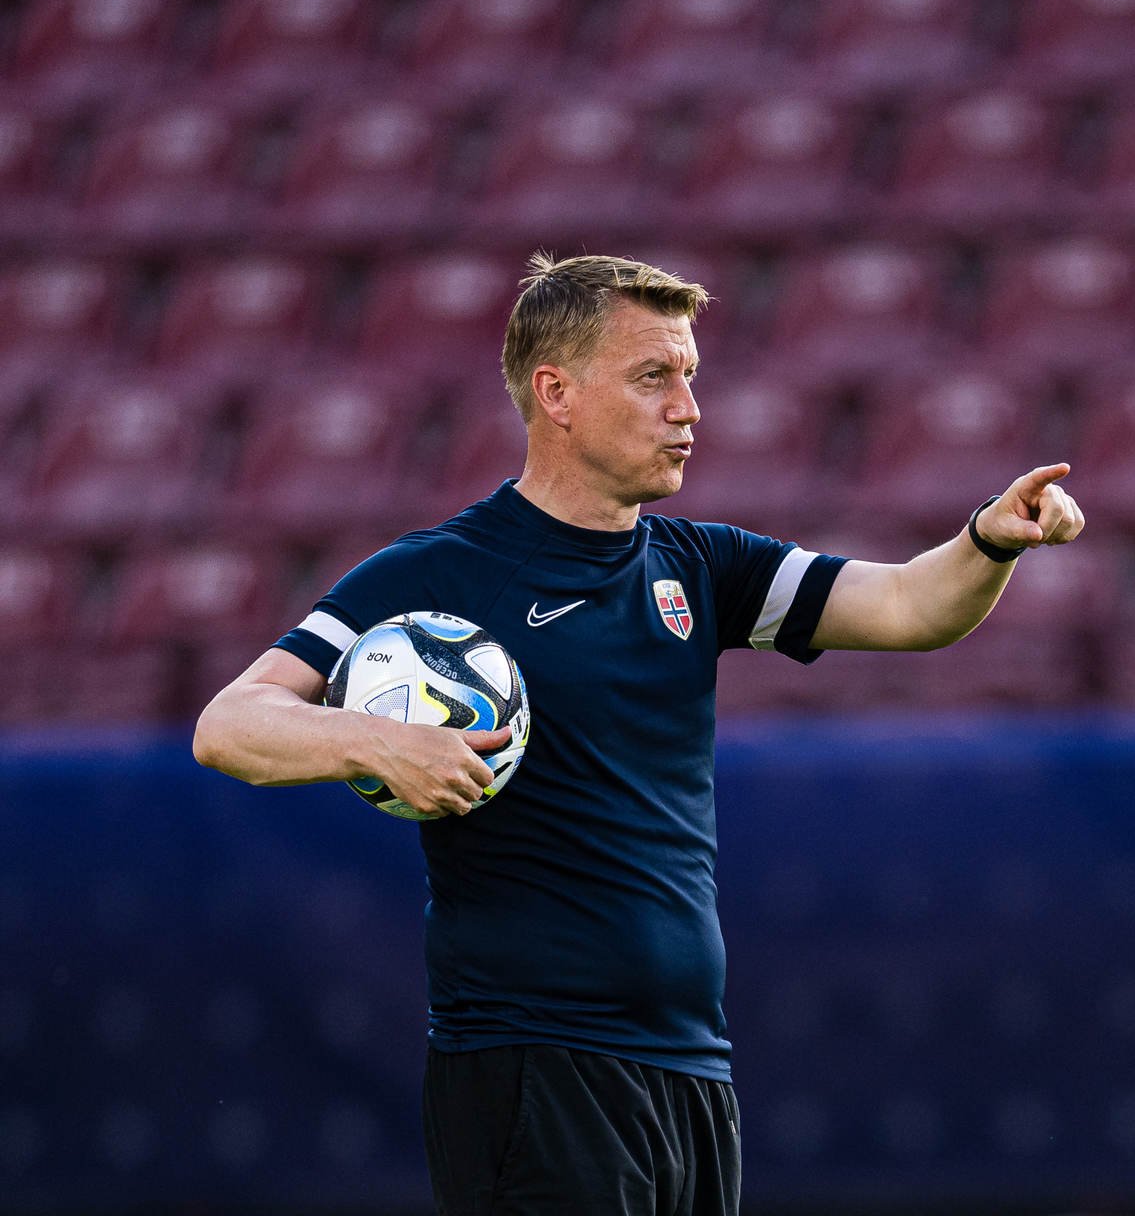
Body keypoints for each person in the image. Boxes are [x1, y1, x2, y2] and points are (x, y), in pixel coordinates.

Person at [192, 253, 1085, 1216]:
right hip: (533, 1070)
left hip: (693, 1074)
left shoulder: (701, 565)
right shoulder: (436, 576)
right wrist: (369, 741)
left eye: (691, 375)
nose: (690, 408)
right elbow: (230, 724)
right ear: (558, 393)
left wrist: (989, 541)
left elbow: (910, 606)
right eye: (655, 376)